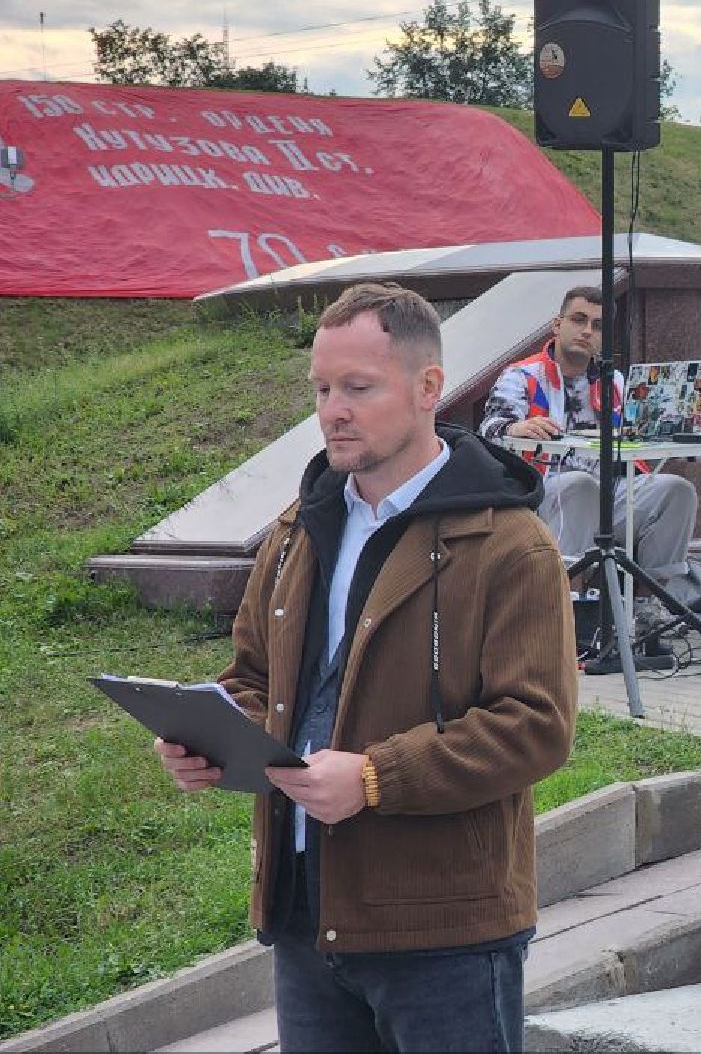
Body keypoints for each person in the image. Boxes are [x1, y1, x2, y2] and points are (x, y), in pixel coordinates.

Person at [155, 282, 578, 1052]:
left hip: (443, 927)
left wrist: (376, 776)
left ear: (426, 388)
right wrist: (211, 738)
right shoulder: (299, 527)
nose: (332, 411)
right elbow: (255, 676)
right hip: (305, 911)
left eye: (357, 387)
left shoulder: (510, 546)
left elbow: (536, 728)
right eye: (321, 388)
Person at [479, 285, 698, 634]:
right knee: (580, 485)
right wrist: (516, 426)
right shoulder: (522, 375)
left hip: (610, 493)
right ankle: (569, 605)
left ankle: (648, 605)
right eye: (579, 320)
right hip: (543, 493)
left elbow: (637, 438)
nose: (587, 331)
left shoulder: (616, 381)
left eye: (597, 325)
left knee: (677, 490)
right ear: (557, 324)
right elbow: (489, 429)